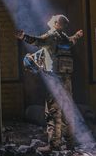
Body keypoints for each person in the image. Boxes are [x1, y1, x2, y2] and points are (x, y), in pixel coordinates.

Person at [16, 15, 84, 153]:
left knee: (53, 113)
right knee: (68, 112)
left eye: (54, 18)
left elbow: (38, 41)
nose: (51, 17)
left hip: (55, 81)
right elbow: (72, 41)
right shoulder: (64, 38)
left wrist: (23, 36)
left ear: (56, 23)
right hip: (67, 81)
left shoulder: (52, 36)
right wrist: (77, 35)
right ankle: (71, 143)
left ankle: (54, 145)